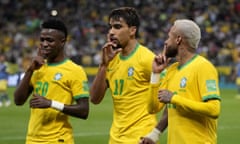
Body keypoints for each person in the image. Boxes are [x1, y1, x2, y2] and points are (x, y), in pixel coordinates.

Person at [90, 7, 167, 144]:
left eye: (118, 27)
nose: (112, 32)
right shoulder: (111, 59)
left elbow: (170, 94)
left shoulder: (146, 58)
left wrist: (155, 133)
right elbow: (95, 99)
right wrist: (103, 65)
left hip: (141, 138)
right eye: (111, 27)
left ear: (132, 30)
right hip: (115, 139)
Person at [141, 19, 221, 144]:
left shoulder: (203, 67)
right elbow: (152, 108)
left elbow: (214, 109)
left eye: (169, 37)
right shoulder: (172, 70)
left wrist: (174, 98)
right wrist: (155, 74)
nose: (165, 42)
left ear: (178, 39)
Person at [14, 18, 90, 144]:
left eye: (50, 40)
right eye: (42, 40)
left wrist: (51, 103)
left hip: (58, 139)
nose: (44, 44)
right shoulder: (38, 68)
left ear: (62, 42)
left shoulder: (74, 70)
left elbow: (84, 110)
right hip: (32, 140)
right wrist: (30, 70)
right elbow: (18, 100)